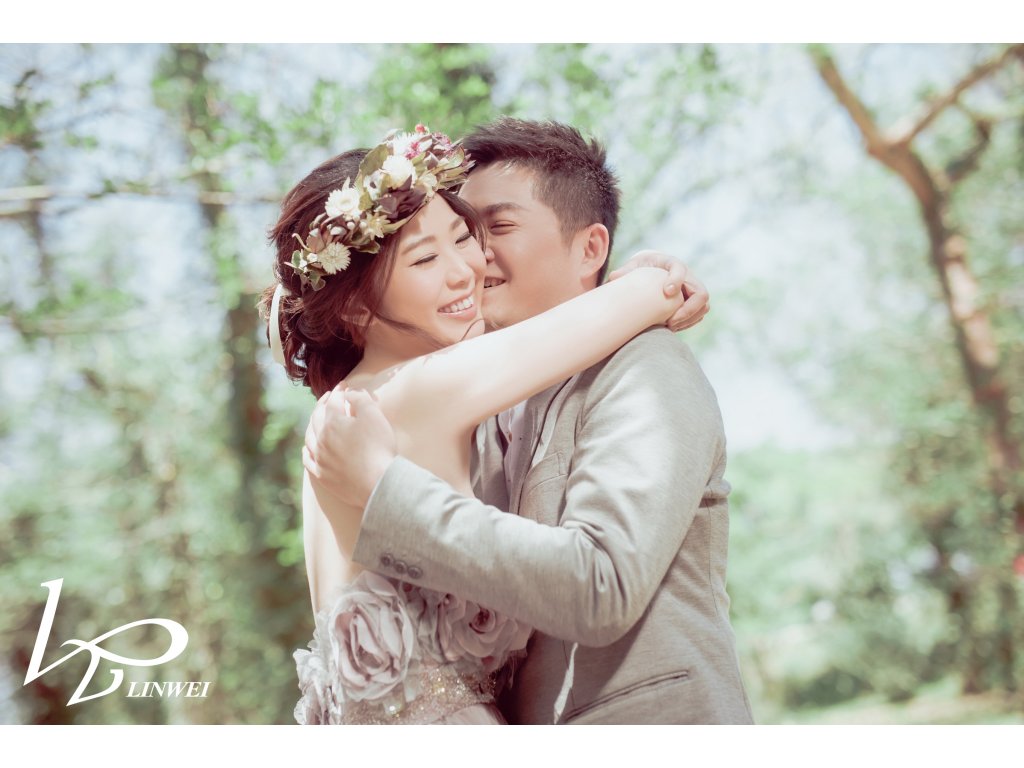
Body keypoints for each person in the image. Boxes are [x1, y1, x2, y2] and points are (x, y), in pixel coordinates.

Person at [303, 117, 755, 724]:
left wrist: (388, 492)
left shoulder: (644, 365)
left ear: (590, 248)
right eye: (464, 233)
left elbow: (602, 584)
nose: (475, 257)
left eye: (494, 228)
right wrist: (655, 283)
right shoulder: (455, 401)